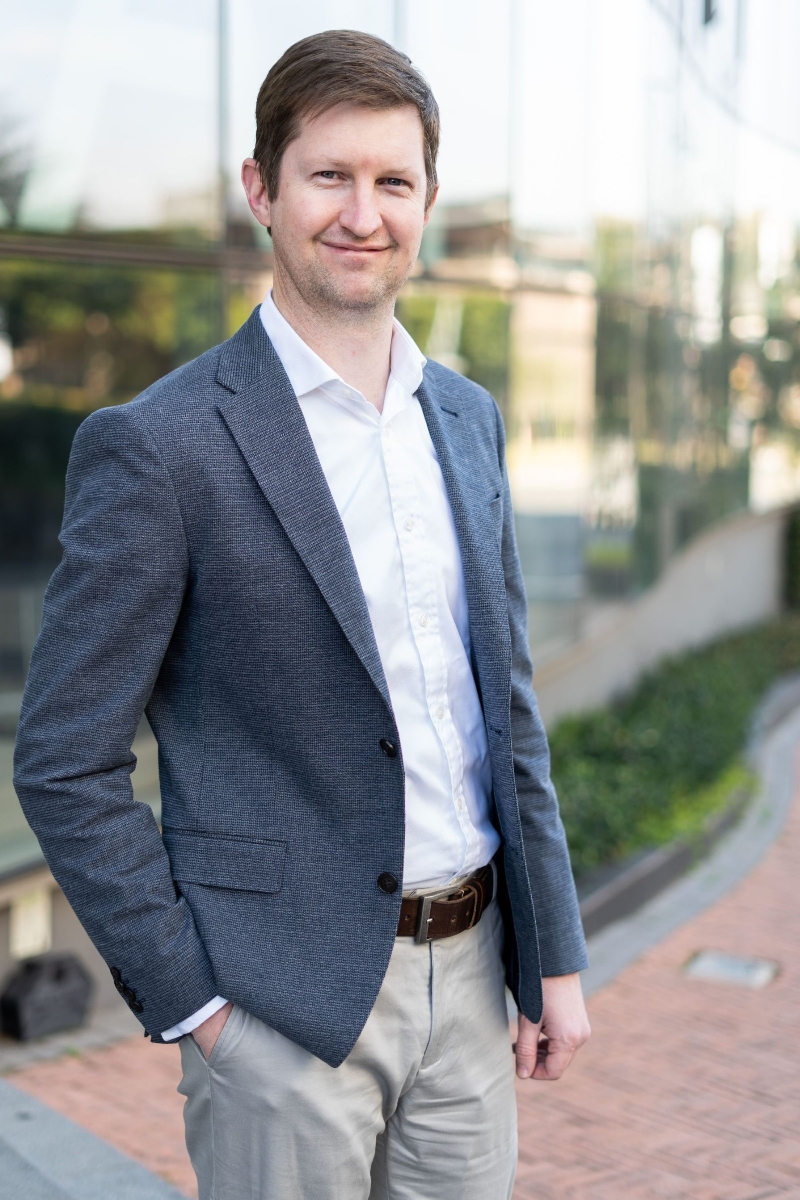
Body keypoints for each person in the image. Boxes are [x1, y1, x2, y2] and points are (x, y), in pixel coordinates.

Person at [14, 29, 590, 1200]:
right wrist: (198, 1008)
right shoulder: (160, 446)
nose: (361, 214)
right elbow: (65, 760)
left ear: (426, 202)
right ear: (261, 190)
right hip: (275, 1015)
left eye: (392, 182)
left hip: (473, 987)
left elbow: (507, 716)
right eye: (329, 175)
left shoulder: (466, 420)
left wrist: (553, 956)